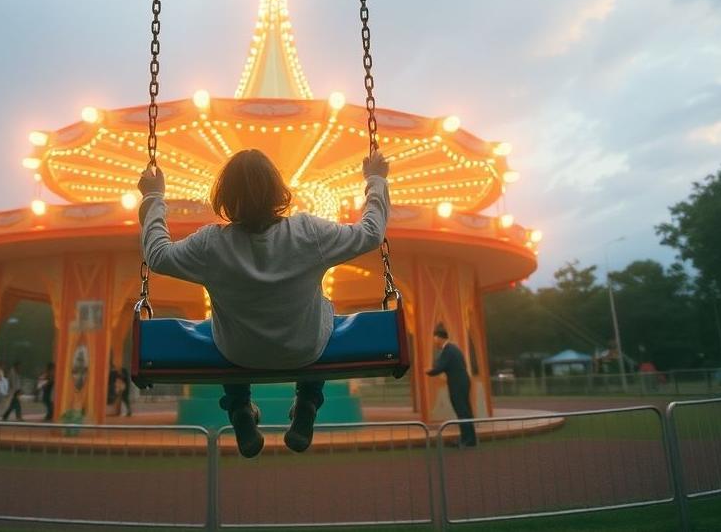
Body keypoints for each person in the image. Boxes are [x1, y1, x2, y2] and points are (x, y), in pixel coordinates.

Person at [139, 147, 390, 458]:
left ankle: (239, 407)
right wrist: (375, 179)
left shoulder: (211, 244)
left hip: (239, 354)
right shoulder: (308, 232)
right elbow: (370, 233)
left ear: (225, 199)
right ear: (278, 191)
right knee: (324, 309)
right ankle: (309, 401)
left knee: (220, 326)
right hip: (304, 350)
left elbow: (158, 255)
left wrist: (154, 196)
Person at [427, 324, 477, 447]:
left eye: (435, 338)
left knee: (462, 411)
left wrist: (428, 371)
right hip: (462, 382)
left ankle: (467, 440)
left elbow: (440, 367)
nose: (434, 342)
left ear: (439, 338)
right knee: (465, 411)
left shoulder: (448, 351)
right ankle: (469, 438)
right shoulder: (453, 349)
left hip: (457, 384)